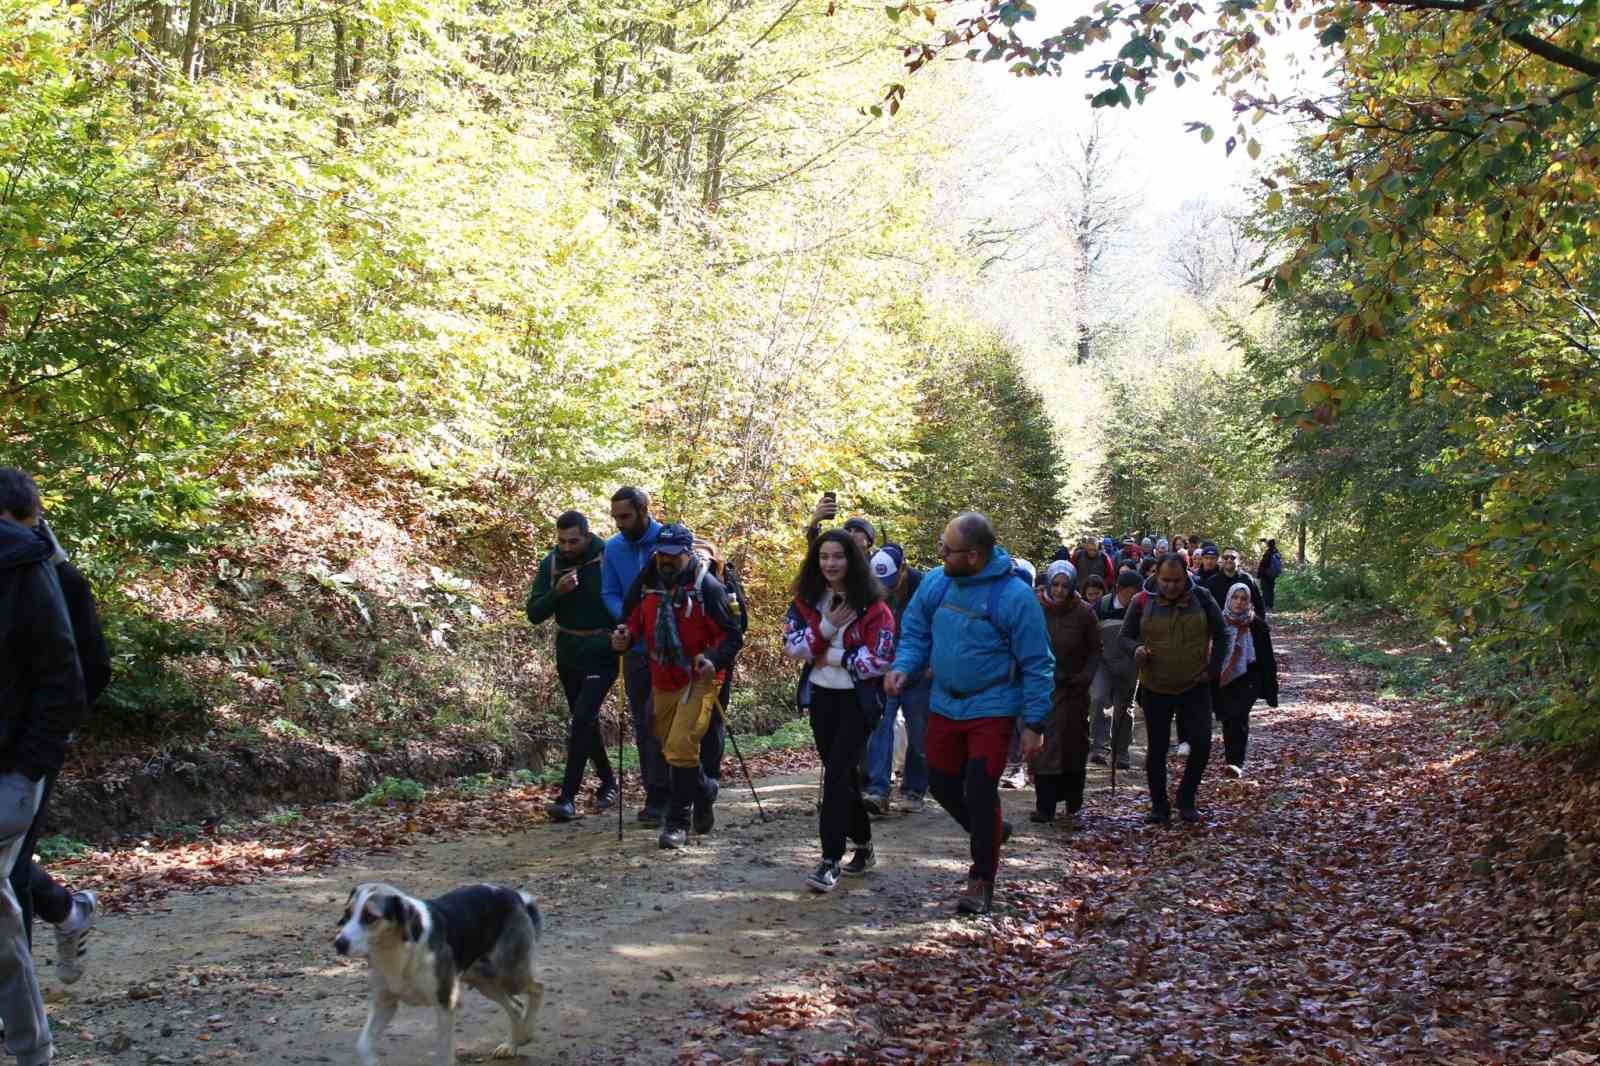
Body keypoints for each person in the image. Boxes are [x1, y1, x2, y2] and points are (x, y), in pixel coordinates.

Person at [886, 512, 1055, 916]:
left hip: (992, 706)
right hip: (944, 702)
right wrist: (904, 665)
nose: (940, 552)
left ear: (975, 556)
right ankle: (992, 830)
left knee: (980, 788)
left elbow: (1038, 662)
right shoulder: (937, 583)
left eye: (948, 548)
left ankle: (981, 879)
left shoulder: (1014, 597)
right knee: (942, 784)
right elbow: (916, 632)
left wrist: (1034, 723)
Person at [0, 468, 89, 1065]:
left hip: (17, 762)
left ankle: (28, 1043)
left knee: (8, 888)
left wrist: (33, 763)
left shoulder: (44, 572)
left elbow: (79, 672)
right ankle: (69, 909)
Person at [9, 514, 104, 985]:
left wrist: (46, 743)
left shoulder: (57, 577)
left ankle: (12, 1008)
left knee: (9, 875)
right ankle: (69, 911)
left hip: (28, 750)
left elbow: (91, 666)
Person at [609, 523, 743, 849]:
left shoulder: (707, 587)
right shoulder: (647, 584)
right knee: (665, 742)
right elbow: (631, 622)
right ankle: (704, 788)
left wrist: (712, 658)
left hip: (700, 679)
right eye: (661, 554)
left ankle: (677, 822)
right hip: (662, 676)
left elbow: (733, 636)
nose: (666, 561)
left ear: (687, 553)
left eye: (673, 555)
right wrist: (622, 638)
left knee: (681, 744)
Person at [783, 531, 897, 892]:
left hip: (858, 703)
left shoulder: (875, 606)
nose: (831, 564)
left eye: (838, 557)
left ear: (854, 560)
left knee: (835, 777)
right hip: (821, 698)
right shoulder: (807, 600)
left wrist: (831, 654)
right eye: (824, 557)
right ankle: (863, 844)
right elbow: (793, 647)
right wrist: (828, 626)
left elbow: (877, 660)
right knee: (843, 779)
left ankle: (828, 860)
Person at [526, 511, 619, 823]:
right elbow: (535, 613)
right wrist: (557, 593)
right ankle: (608, 782)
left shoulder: (609, 556)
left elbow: (628, 600)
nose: (566, 547)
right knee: (585, 721)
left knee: (581, 719)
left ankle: (567, 797)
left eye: (573, 541)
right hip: (568, 652)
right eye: (561, 541)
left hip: (603, 650)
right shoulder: (551, 563)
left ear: (587, 536)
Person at [1120, 555, 1226, 825]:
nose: (1170, 586)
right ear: (1157, 576)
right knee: (1157, 748)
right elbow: (1124, 637)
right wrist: (1136, 649)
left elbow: (1222, 634)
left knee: (1201, 742)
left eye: (1176, 580)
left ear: (1186, 575)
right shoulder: (1141, 601)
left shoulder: (1202, 598)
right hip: (1156, 686)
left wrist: (1212, 670)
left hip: (1195, 685)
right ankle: (1159, 806)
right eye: (1165, 580)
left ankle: (1186, 798)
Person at [601, 487, 670, 825]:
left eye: (625, 517)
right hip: (637, 649)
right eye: (616, 517)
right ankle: (655, 796)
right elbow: (610, 592)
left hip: (674, 650)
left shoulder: (671, 541)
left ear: (644, 510)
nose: (619, 524)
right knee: (645, 723)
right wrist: (628, 621)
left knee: (672, 720)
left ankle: (688, 788)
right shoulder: (613, 549)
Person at [1029, 562, 1101, 828]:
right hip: (1042, 688)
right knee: (1044, 746)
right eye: (1055, 585)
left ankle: (1073, 805)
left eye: (1065, 585)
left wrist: (1084, 677)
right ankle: (1044, 806)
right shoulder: (1035, 608)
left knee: (1074, 744)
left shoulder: (1083, 613)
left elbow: (1095, 649)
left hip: (1073, 689)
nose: (1059, 591)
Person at [862, 544, 927, 814]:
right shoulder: (872, 589)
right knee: (881, 724)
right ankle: (878, 789)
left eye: (890, 582)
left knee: (919, 730)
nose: (886, 590)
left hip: (920, 671)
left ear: (903, 568)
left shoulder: (925, 588)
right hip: (886, 670)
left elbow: (937, 627)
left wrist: (932, 662)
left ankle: (914, 789)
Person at [691, 538, 749, 789]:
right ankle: (691, 773)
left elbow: (740, 624)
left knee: (714, 716)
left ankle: (710, 773)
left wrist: (717, 655)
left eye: (706, 558)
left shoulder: (726, 583)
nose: (701, 563)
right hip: (687, 660)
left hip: (720, 658)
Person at [1215, 582, 1279, 777]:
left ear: (1249, 601)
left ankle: (1236, 762)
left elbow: (1267, 657)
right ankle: (1230, 759)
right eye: (1235, 597)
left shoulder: (1256, 624)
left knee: (1239, 716)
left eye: (1243, 599)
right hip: (1224, 677)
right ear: (1229, 598)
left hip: (1250, 676)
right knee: (1228, 718)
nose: (1239, 602)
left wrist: (1271, 687)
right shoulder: (1218, 621)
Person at [1090, 569, 1141, 771]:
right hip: (1103, 662)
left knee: (1125, 708)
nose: (1136, 595)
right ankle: (1099, 748)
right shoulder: (1101, 606)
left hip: (1129, 663)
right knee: (1099, 698)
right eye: (1133, 591)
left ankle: (1121, 752)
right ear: (1120, 589)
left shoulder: (1140, 609)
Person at [1201, 546, 1266, 618]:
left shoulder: (1247, 579)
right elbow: (1204, 607)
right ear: (1221, 560)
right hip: (1219, 625)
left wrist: (1259, 624)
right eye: (1226, 557)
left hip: (1244, 624)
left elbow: (1259, 605)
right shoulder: (1211, 582)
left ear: (1238, 561)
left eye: (1232, 557)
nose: (1229, 560)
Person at [1257, 539, 1284, 609]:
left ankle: (1266, 606)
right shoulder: (1276, 551)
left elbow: (1263, 564)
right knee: (1270, 590)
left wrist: (1259, 574)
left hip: (1266, 575)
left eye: (1267, 543)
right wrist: (1264, 540)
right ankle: (1270, 605)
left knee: (1265, 589)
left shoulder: (1268, 553)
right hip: (1272, 575)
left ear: (1269, 545)